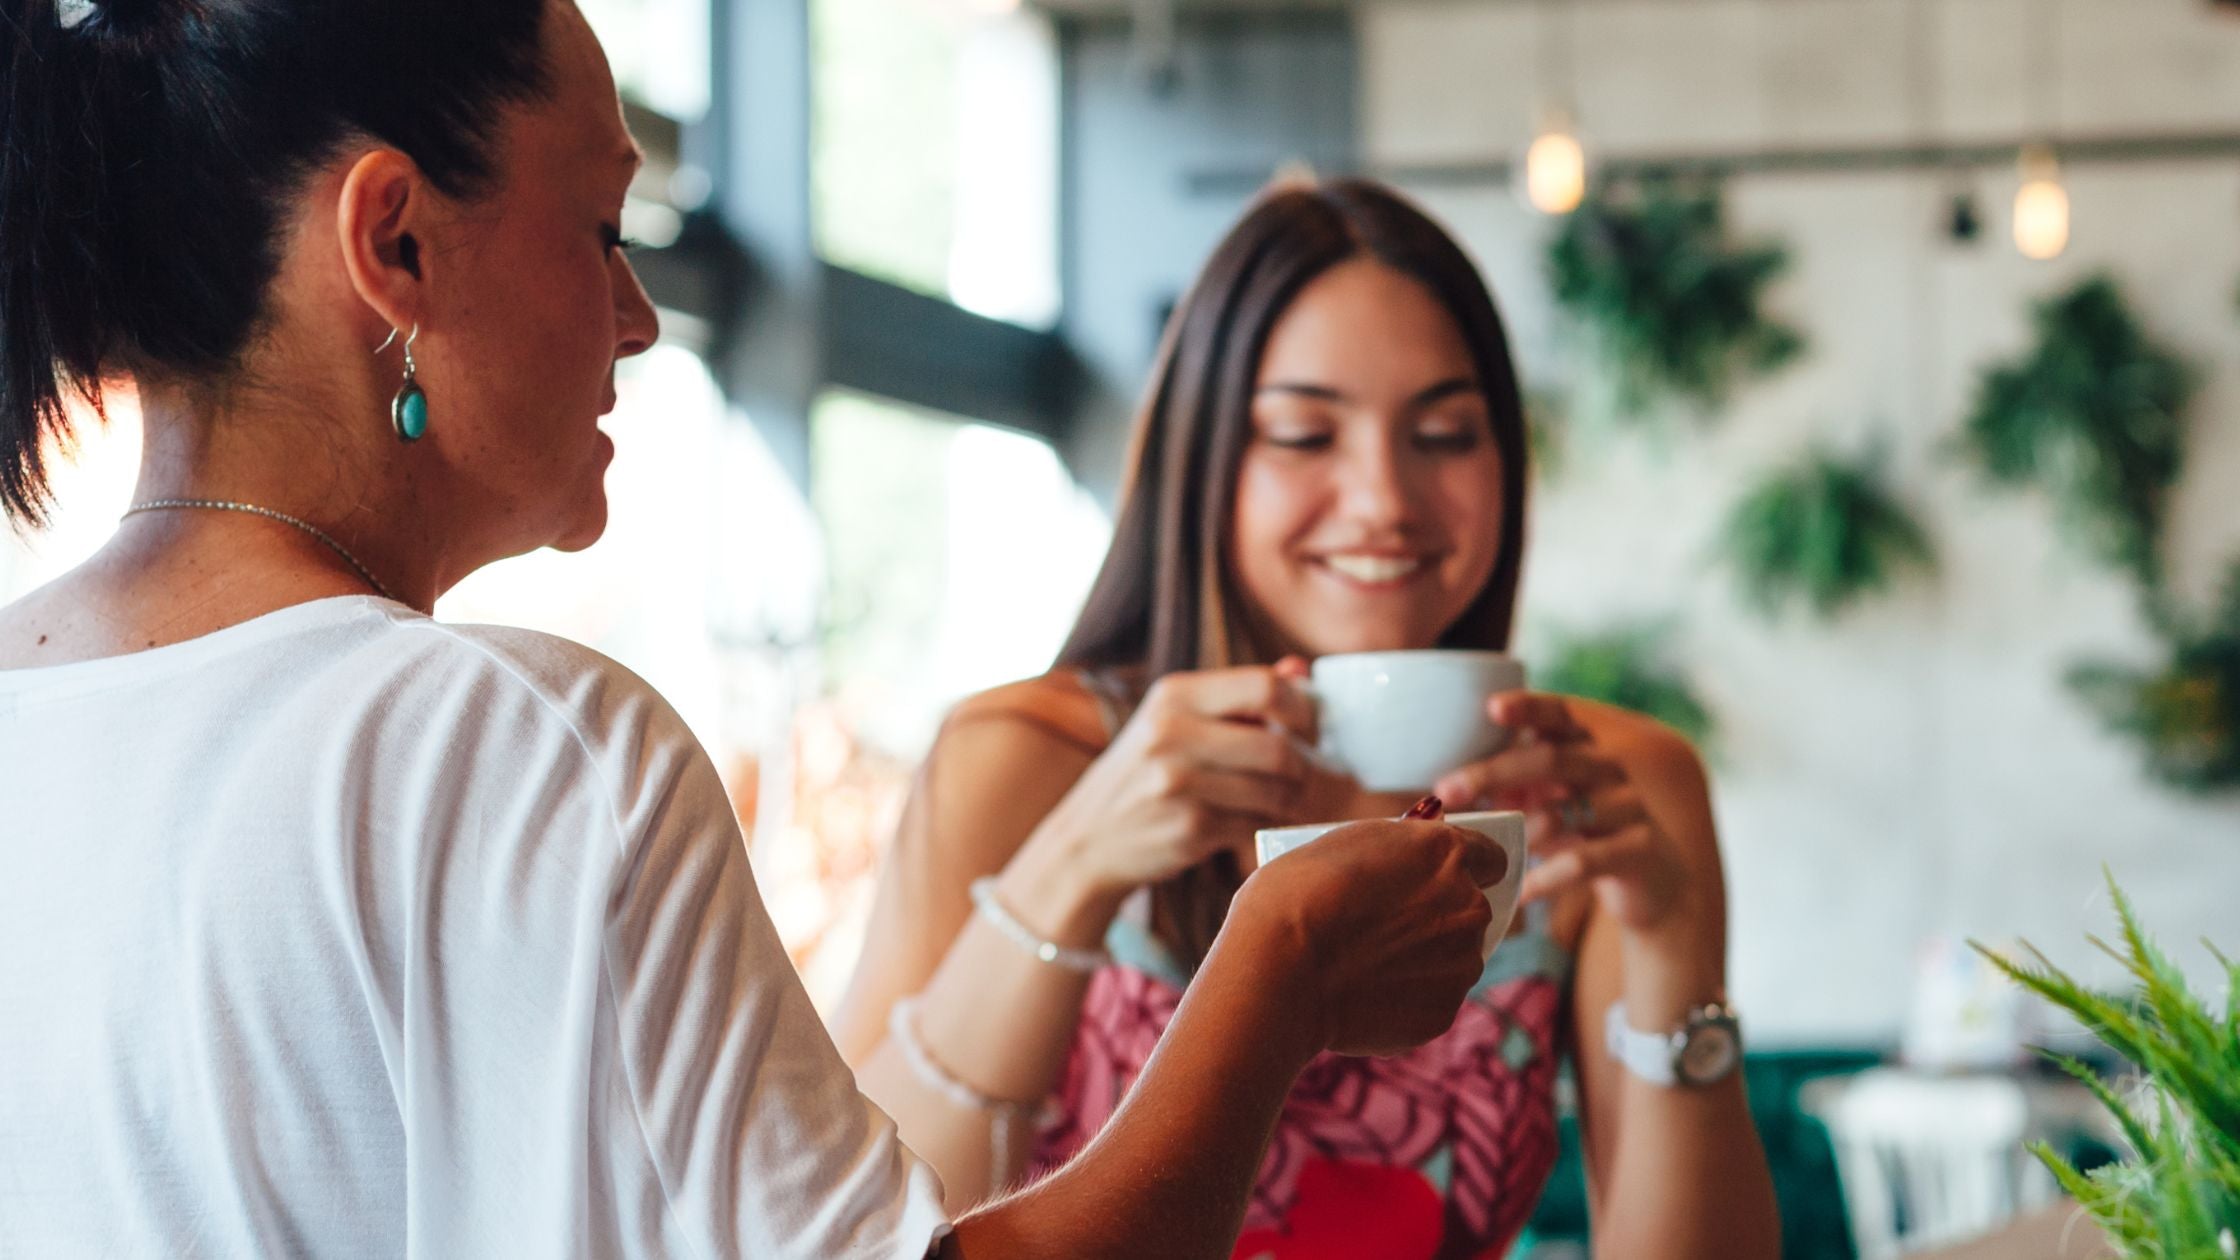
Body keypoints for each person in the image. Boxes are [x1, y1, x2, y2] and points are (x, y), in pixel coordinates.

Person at [0, 2, 1510, 1256]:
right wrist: (1284, 972)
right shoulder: (519, 746)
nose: (641, 314)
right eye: (604, 226)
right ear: (393, 243)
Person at [833, 179, 1784, 1257]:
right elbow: (863, 1227)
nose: (1383, 496)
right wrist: (1073, 864)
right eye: (1301, 434)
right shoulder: (1024, 761)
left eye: (1441, 432)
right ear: (1203, 461)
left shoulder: (1613, 789)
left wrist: (1665, 955)